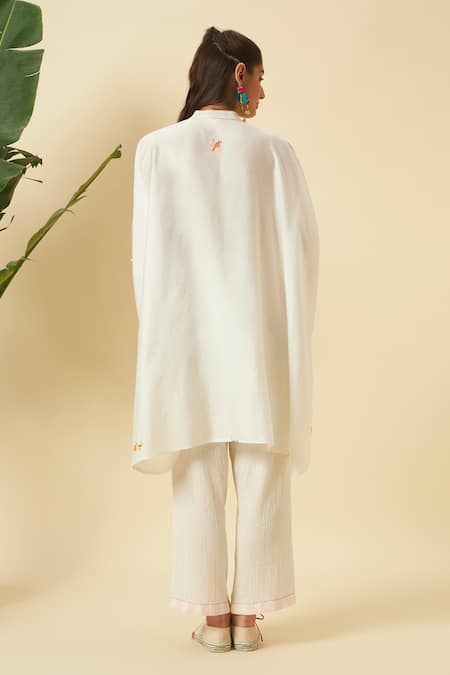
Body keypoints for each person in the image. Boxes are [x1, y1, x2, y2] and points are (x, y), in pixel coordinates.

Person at [130, 26, 320, 652]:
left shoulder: (157, 150)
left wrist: (160, 337)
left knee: (197, 481)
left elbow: (145, 258)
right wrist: (292, 328)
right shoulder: (274, 152)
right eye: (260, 78)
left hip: (186, 343)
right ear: (239, 75)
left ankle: (213, 624)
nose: (263, 92)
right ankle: (248, 621)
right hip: (260, 341)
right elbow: (301, 252)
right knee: (264, 478)